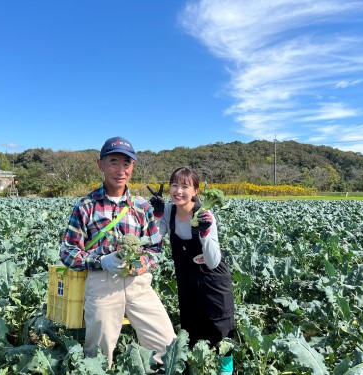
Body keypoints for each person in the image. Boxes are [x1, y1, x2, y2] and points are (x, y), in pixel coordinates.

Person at [59, 136, 176, 368]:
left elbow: (155, 248)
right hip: (103, 286)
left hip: (138, 284)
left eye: (126, 163)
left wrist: (144, 263)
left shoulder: (142, 206)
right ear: (100, 165)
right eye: (113, 162)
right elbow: (68, 252)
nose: (120, 170)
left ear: (132, 167)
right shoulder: (86, 206)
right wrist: (101, 261)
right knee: (99, 358)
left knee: (167, 346)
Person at [148, 167, 235, 375]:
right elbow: (154, 240)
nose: (178, 191)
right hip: (186, 280)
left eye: (185, 186)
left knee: (220, 328)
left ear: (195, 191)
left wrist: (204, 231)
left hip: (213, 279)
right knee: (191, 328)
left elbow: (213, 261)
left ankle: (225, 370)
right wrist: (157, 216)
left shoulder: (205, 215)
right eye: (174, 185)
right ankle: (194, 368)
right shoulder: (169, 212)